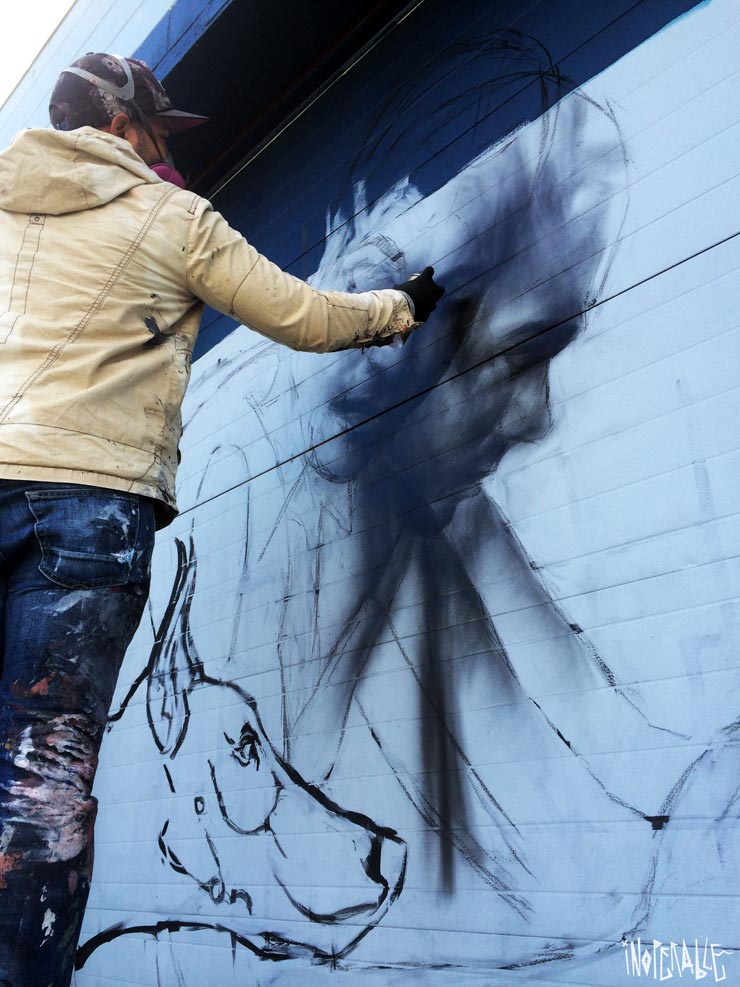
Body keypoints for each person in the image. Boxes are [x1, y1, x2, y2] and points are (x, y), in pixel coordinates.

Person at [0, 52, 444, 987]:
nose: (163, 149)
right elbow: (303, 315)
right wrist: (401, 307)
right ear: (121, 124)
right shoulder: (170, 216)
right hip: (87, 507)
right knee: (43, 785)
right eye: (156, 130)